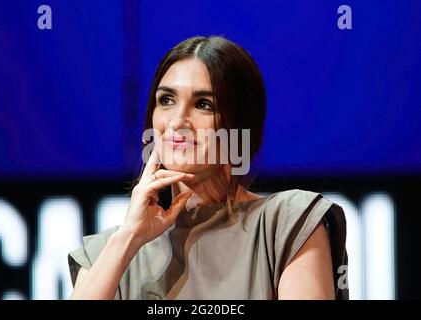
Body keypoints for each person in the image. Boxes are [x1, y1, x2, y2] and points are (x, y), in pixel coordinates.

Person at [68, 36, 349, 300]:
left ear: (240, 125)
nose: (177, 121)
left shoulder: (289, 223)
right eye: (166, 100)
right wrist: (129, 237)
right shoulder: (106, 252)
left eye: (204, 104)